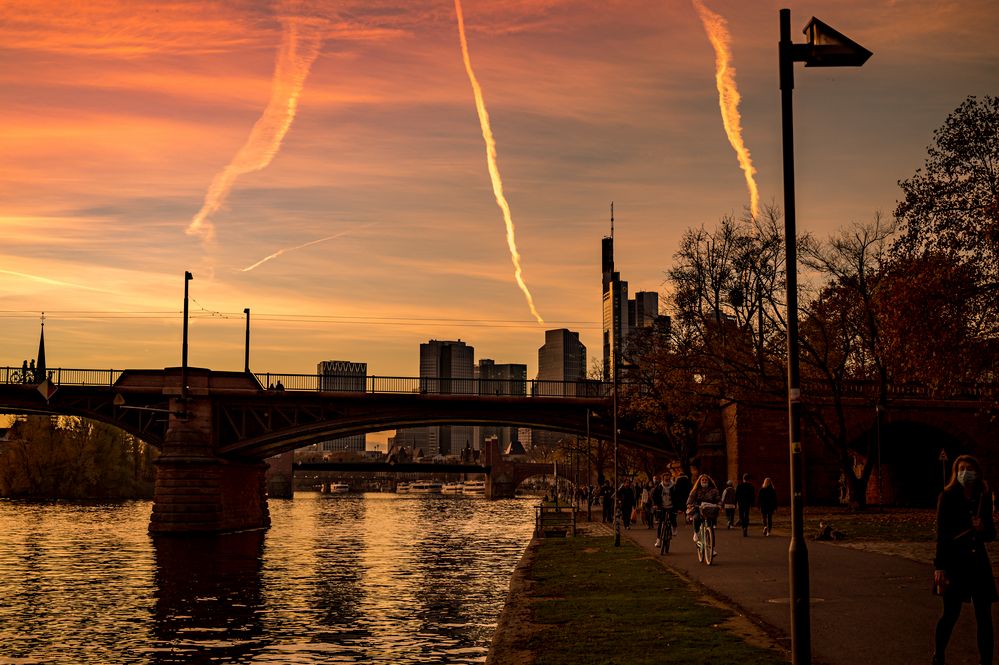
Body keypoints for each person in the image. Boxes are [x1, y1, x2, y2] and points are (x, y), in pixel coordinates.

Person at [932, 454, 996, 665]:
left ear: (977, 473)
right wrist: (939, 567)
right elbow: (942, 534)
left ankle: (986, 660)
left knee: (984, 617)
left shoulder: (983, 497)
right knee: (950, 614)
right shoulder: (947, 497)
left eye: (969, 468)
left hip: (978, 564)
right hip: (954, 564)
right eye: (961, 469)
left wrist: (982, 528)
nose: (964, 473)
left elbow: (991, 535)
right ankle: (939, 655)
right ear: (955, 472)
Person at [686, 474, 721, 554]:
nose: (704, 481)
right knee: (696, 518)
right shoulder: (696, 490)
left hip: (709, 510)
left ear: (709, 481)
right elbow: (690, 498)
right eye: (702, 480)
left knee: (710, 529)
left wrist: (719, 504)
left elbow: (718, 499)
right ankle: (696, 532)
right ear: (700, 481)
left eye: (706, 480)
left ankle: (711, 549)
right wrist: (689, 504)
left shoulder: (714, 490)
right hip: (698, 508)